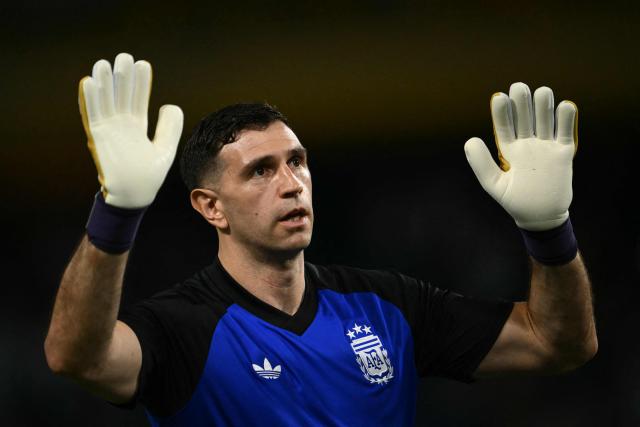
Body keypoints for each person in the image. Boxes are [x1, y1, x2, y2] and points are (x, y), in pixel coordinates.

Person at [44, 53, 598, 426]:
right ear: (211, 206)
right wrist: (116, 214)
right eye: (260, 171)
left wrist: (549, 231)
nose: (291, 184)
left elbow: (559, 343)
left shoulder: (387, 307)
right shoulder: (182, 328)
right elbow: (76, 357)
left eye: (298, 162)